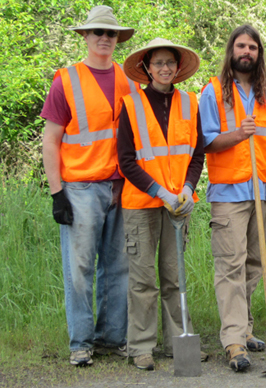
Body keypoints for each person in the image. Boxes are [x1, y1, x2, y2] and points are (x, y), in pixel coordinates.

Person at [41, 5, 138, 367]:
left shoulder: (129, 80)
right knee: (79, 269)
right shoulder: (65, 80)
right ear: (84, 35)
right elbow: (50, 140)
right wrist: (56, 193)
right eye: (97, 32)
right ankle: (81, 342)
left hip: (120, 187)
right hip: (80, 189)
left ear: (118, 38)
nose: (104, 38)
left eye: (110, 33)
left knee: (119, 266)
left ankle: (112, 338)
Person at [199, 24, 266, 372]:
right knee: (230, 265)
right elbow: (206, 142)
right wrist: (237, 134)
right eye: (241, 46)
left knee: (254, 264)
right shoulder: (213, 92)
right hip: (229, 193)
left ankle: (246, 329)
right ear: (231, 51)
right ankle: (233, 341)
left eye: (252, 47)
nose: (246, 52)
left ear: (258, 53)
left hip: (261, 191)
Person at [118, 38, 205, 370]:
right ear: (146, 68)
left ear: (178, 67)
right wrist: (160, 191)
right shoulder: (131, 105)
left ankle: (179, 342)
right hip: (141, 204)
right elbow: (127, 161)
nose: (165, 68)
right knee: (143, 280)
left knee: (175, 277)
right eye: (158, 63)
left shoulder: (190, 103)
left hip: (178, 206)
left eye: (170, 62)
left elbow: (196, 155)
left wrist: (186, 187)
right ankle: (140, 346)